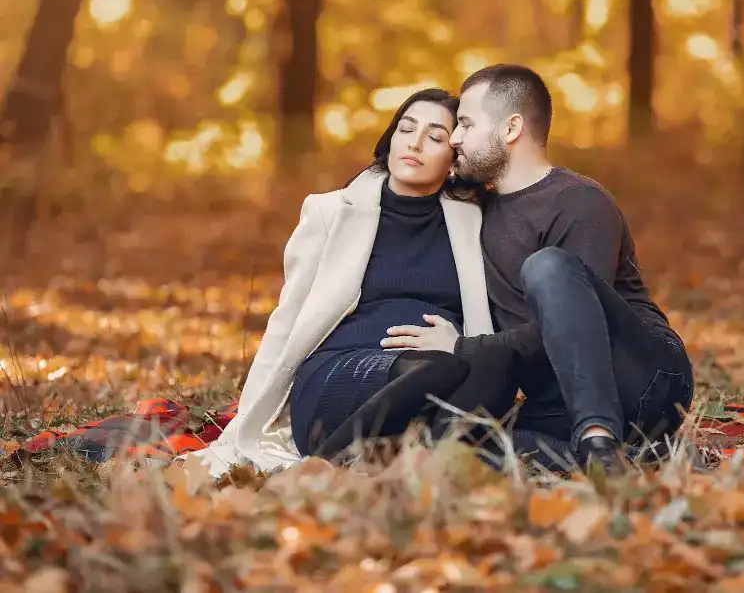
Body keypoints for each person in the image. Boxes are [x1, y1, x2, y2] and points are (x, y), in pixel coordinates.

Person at [382, 65, 694, 475]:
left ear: (511, 129)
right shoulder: (477, 211)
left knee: (547, 267)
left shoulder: (579, 201)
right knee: (449, 447)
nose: (455, 138)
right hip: (555, 397)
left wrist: (461, 347)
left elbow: (576, 326)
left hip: (644, 381)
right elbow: (397, 181)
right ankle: (637, 456)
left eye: (466, 124)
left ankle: (599, 442)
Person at [189, 88, 517, 477]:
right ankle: (319, 468)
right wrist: (247, 419)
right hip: (339, 376)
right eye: (405, 129)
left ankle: (428, 462)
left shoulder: (475, 220)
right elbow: (287, 319)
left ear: (453, 159)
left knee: (495, 365)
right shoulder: (331, 212)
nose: (415, 142)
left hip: (434, 383)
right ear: (391, 139)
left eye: (435, 137)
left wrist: (461, 344)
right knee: (436, 367)